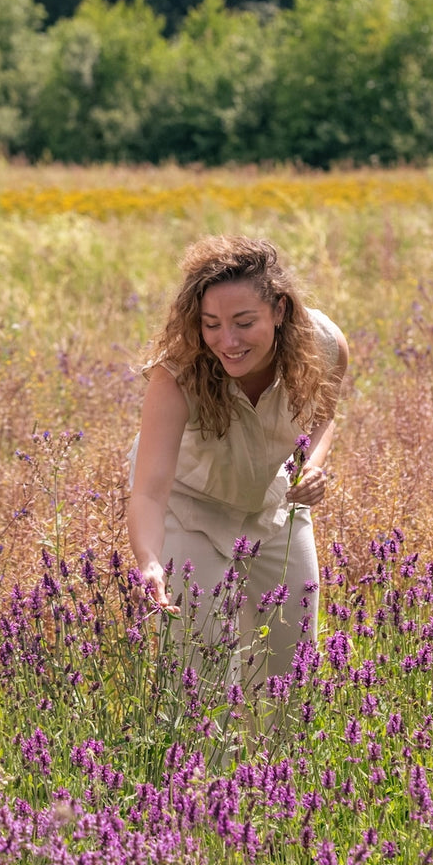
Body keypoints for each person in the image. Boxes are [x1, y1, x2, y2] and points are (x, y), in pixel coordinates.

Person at [128, 235, 348, 692]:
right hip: (189, 513)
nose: (226, 341)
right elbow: (149, 490)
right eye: (211, 324)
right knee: (202, 679)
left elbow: (325, 414)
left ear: (280, 311)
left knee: (294, 673)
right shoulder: (177, 374)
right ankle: (206, 766)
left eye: (244, 323)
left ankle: (285, 762)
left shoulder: (324, 345)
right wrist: (149, 560)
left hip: (275, 506)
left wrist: (312, 466)